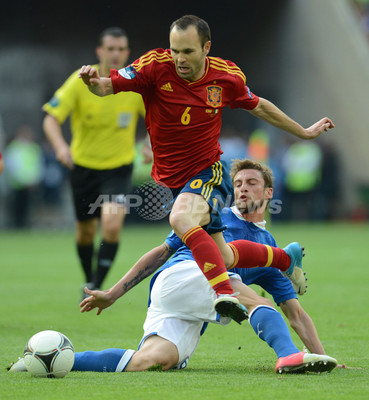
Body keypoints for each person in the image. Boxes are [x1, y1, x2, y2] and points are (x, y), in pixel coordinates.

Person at [79, 15, 335, 321]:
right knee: (223, 255)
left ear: (206, 48)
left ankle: (225, 293)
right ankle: (284, 259)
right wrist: (93, 84)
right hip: (175, 183)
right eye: (175, 50)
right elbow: (105, 87)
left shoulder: (226, 77)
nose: (179, 59)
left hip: (208, 172)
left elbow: (260, 106)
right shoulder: (153, 66)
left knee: (179, 218)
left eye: (187, 51)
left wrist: (303, 132)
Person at [43, 27, 147, 295]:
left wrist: (151, 145)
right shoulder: (80, 80)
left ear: (127, 53)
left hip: (119, 168)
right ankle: (89, 278)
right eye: (110, 48)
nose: (115, 54)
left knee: (112, 224)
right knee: (86, 233)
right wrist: (60, 148)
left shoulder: (133, 83)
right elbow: (51, 118)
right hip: (83, 167)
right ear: (99, 51)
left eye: (120, 49)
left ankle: (98, 285)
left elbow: (160, 118)